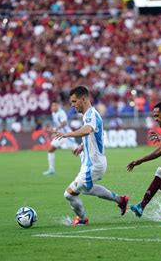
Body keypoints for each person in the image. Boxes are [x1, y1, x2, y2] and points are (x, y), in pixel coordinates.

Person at [53, 86, 129, 226]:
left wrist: (66, 134)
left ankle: (82, 219)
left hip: (93, 164)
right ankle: (120, 200)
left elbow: (87, 130)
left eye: (74, 101)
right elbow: (96, 133)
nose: (72, 105)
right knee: (89, 189)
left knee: (69, 194)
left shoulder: (90, 115)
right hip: (92, 161)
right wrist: (82, 146)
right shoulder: (89, 114)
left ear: (83, 99)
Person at [43, 101, 78, 176]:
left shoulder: (61, 112)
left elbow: (64, 123)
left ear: (58, 106)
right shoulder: (53, 113)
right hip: (60, 135)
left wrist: (56, 128)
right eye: (52, 106)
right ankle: (51, 169)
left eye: (54, 106)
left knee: (76, 152)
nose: (53, 107)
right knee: (50, 150)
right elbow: (57, 124)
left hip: (66, 135)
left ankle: (89, 163)